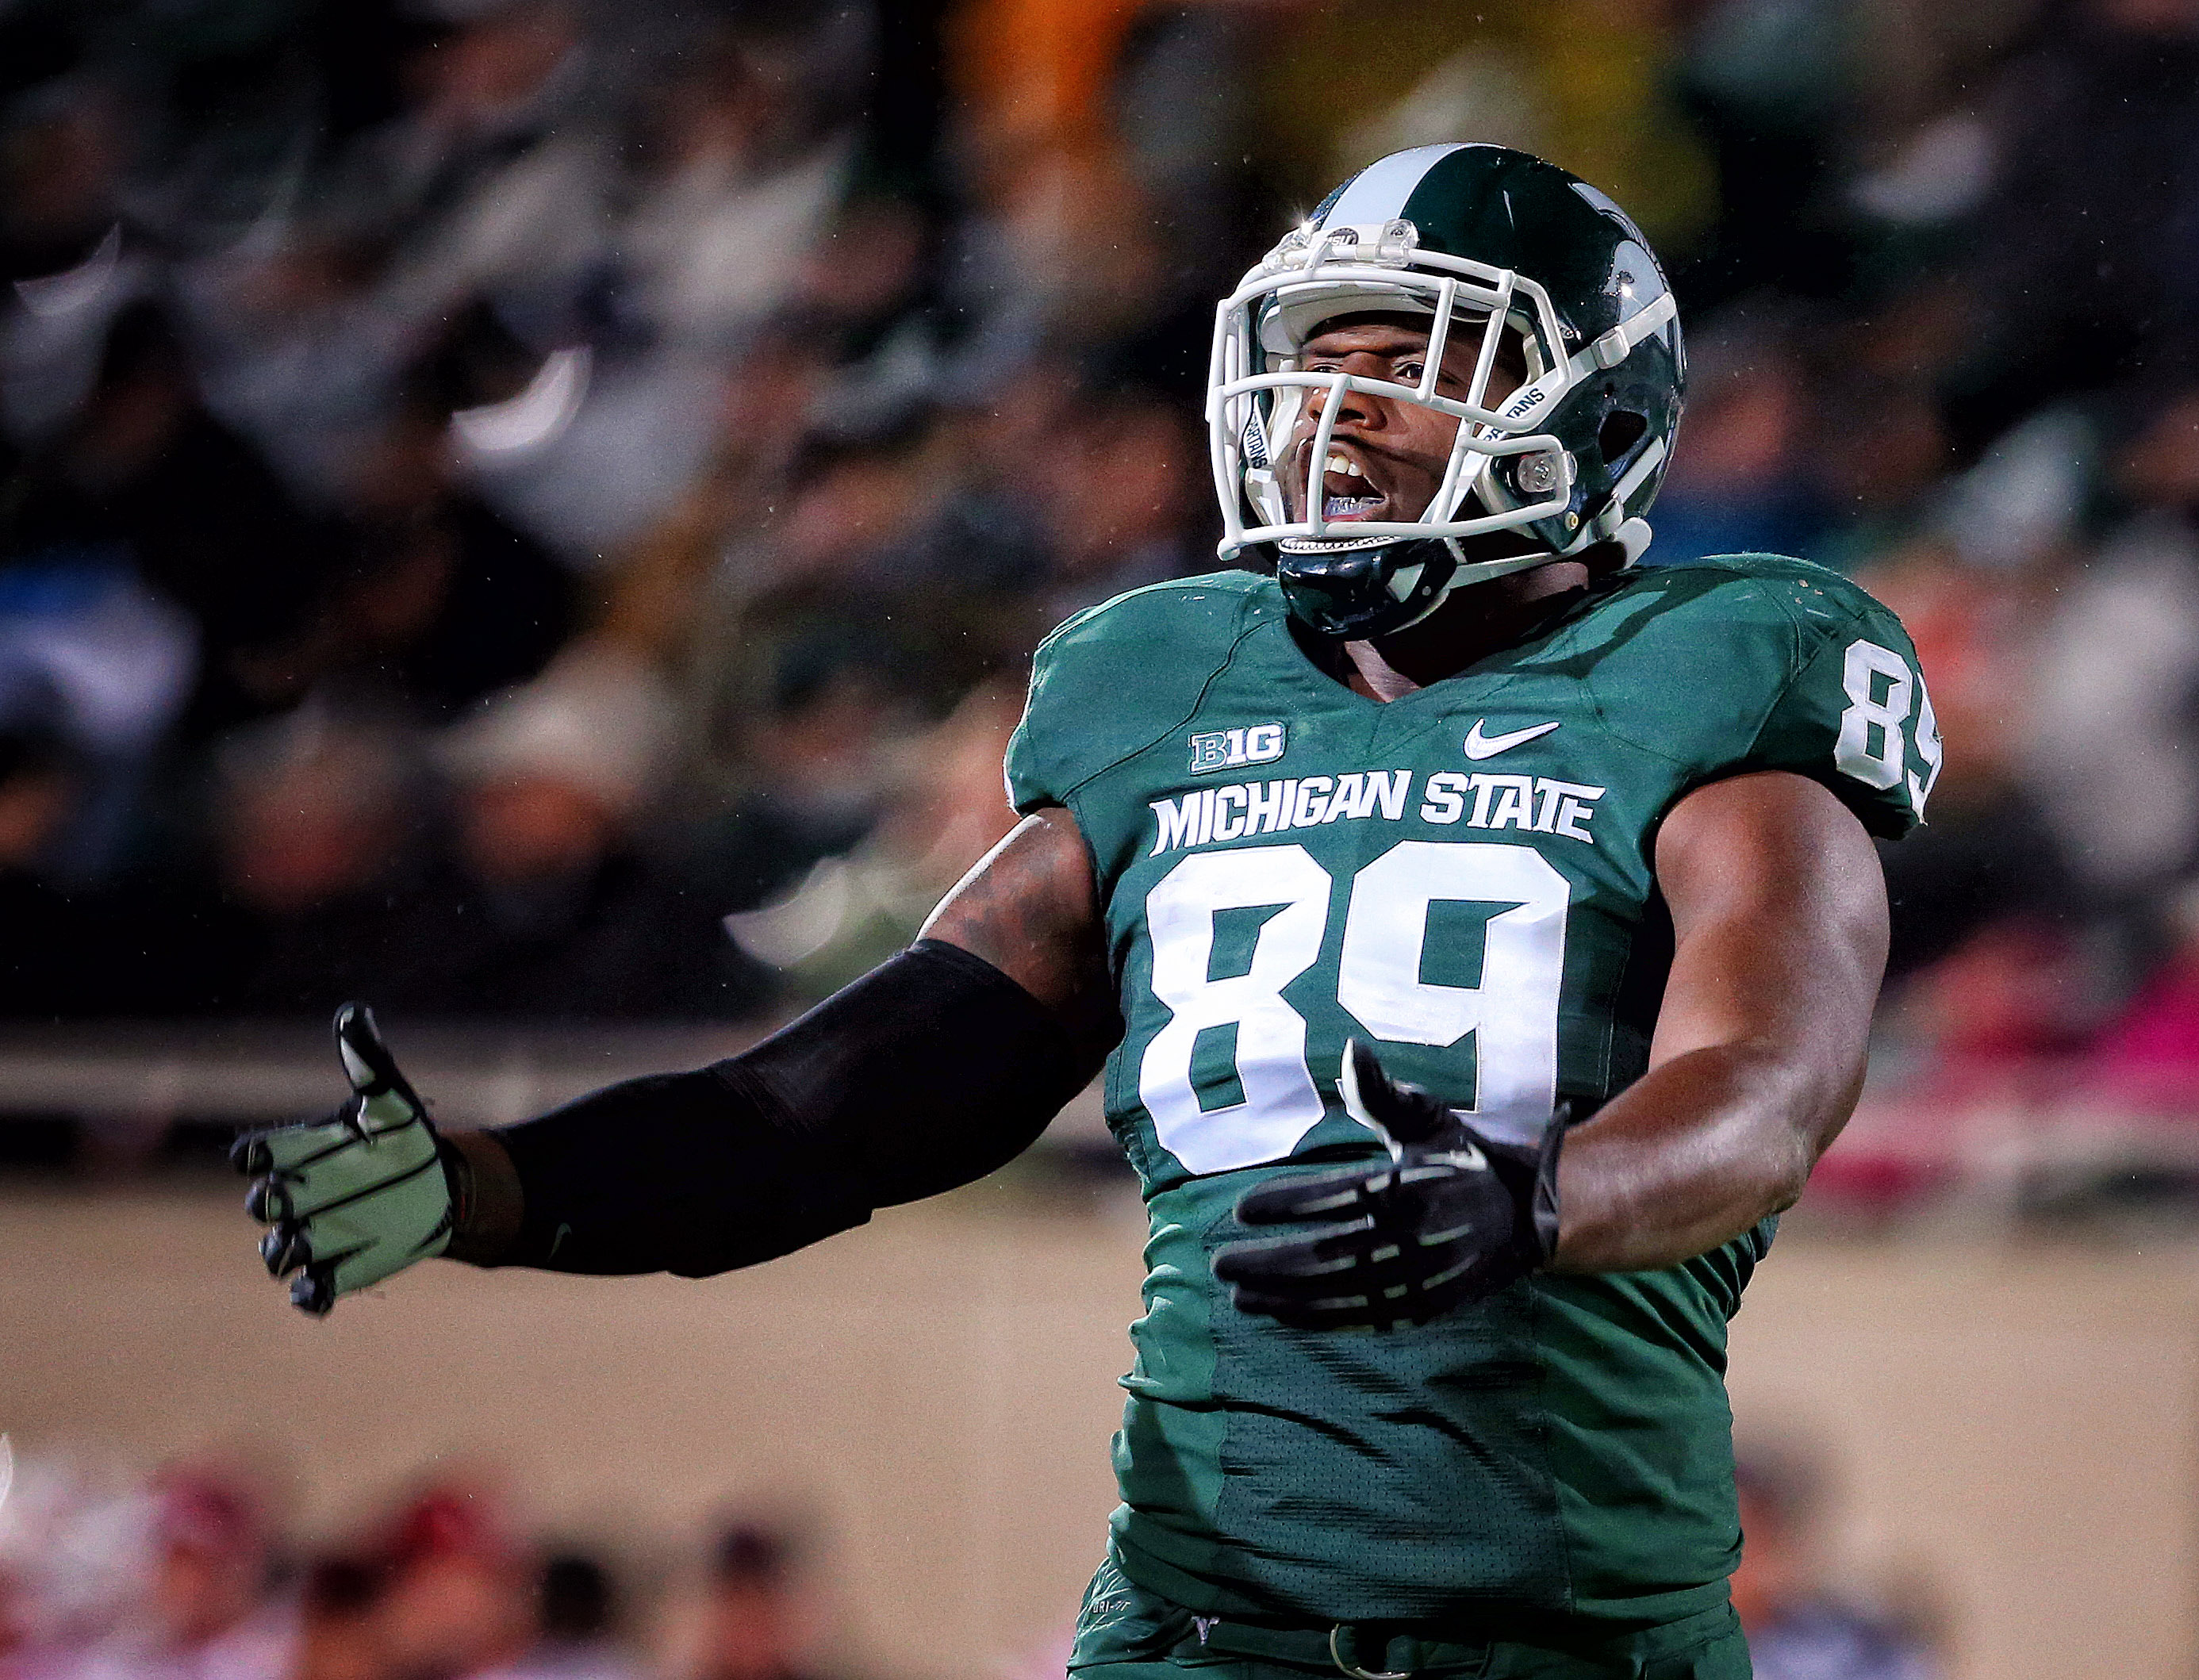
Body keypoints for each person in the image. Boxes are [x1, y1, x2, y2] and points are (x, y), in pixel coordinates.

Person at [233, 144, 1941, 1680]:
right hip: (1195, 1631)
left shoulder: (1717, 672)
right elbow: (826, 1110)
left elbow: (1769, 1090)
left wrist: (1543, 1191)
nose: (1335, 410)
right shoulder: (1168, 696)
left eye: (1413, 360)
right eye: (1316, 360)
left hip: (1576, 1641)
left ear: (1602, 420)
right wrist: (500, 1184)